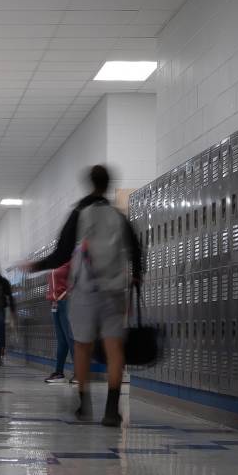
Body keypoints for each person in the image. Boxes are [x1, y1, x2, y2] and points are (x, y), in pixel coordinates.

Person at [24, 165, 144, 427]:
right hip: (114, 291)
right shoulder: (118, 216)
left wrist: (35, 266)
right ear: (108, 184)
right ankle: (111, 410)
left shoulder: (79, 213)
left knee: (82, 346)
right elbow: (136, 249)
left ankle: (84, 406)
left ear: (90, 183)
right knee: (114, 349)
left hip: (85, 291)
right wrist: (136, 276)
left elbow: (61, 254)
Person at [44, 261, 73, 384]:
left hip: (67, 302)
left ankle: (79, 373)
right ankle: (59, 372)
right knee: (61, 341)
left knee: (71, 339)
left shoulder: (71, 260)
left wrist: (66, 293)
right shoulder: (56, 261)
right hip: (56, 304)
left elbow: (78, 280)